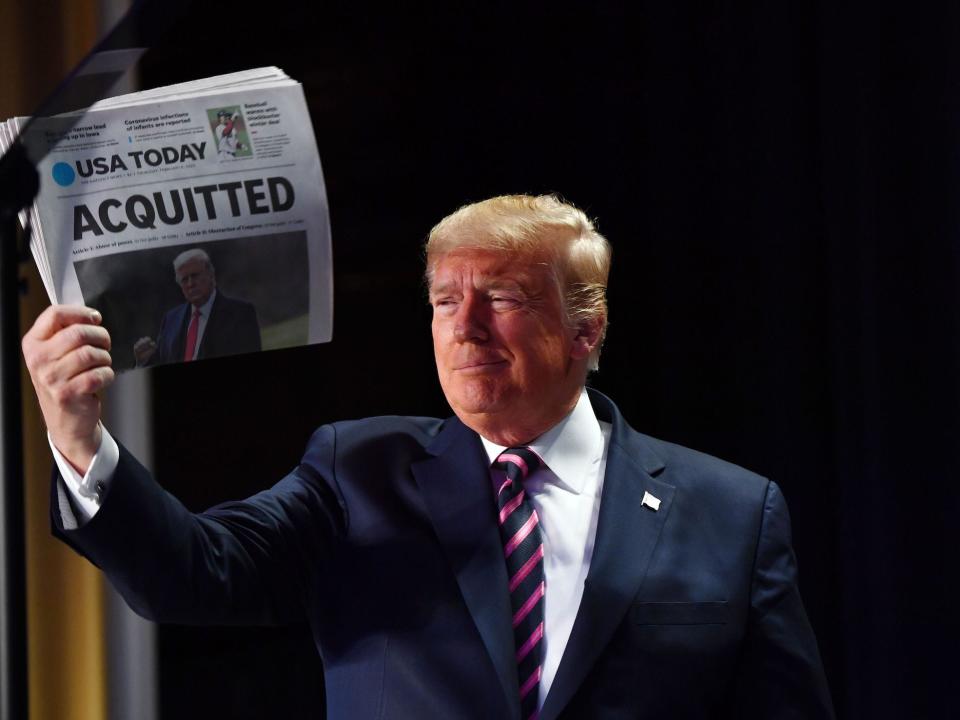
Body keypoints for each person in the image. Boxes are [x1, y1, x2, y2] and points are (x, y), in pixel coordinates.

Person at [22, 195, 835, 719]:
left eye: (504, 298)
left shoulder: (732, 512)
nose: (464, 327)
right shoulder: (358, 470)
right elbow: (195, 573)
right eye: (446, 300)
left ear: (587, 329)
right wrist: (78, 436)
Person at [133, 248, 261, 366]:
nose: (190, 284)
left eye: (195, 276)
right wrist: (143, 361)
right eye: (184, 279)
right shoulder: (171, 319)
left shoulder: (241, 313)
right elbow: (161, 362)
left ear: (211, 275)